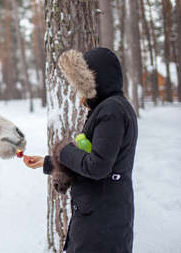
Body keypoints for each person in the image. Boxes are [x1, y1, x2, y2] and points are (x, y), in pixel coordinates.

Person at [24, 47, 138, 253]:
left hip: (102, 223)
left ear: (96, 79)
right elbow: (92, 160)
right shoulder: (109, 107)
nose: (79, 91)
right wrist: (48, 162)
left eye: (81, 83)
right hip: (99, 215)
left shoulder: (111, 110)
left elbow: (98, 166)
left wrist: (64, 150)